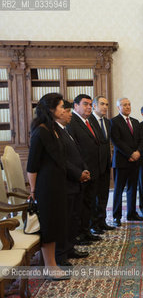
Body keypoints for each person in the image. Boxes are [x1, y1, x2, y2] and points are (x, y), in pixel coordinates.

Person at [27, 93, 69, 280]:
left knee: (56, 224)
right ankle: (50, 267)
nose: (63, 109)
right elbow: (32, 166)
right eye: (60, 106)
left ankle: (51, 264)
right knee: (49, 227)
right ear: (51, 109)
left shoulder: (54, 129)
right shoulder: (40, 131)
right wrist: (33, 190)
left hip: (57, 185)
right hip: (45, 187)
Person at [55, 100, 90, 265]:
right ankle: (61, 254)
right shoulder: (54, 132)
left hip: (76, 180)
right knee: (67, 218)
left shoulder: (64, 130)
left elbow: (76, 153)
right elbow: (62, 160)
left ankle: (70, 248)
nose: (69, 114)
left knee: (74, 217)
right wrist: (78, 174)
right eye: (66, 110)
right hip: (67, 182)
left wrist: (84, 169)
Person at [67, 94, 102, 243]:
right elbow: (74, 150)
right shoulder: (72, 122)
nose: (89, 107)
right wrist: (82, 170)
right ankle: (78, 234)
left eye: (90, 104)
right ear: (76, 106)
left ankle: (86, 231)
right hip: (81, 171)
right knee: (79, 205)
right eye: (85, 104)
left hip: (93, 170)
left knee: (89, 203)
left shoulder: (89, 122)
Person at [111, 98, 143, 227]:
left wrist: (137, 153)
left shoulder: (136, 122)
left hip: (135, 161)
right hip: (121, 161)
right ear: (118, 107)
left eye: (129, 104)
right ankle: (117, 217)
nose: (127, 107)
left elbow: (142, 140)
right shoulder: (114, 122)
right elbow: (117, 141)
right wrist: (130, 154)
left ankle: (131, 214)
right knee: (119, 190)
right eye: (124, 105)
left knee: (132, 189)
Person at [89, 95, 115, 232]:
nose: (105, 107)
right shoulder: (89, 121)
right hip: (94, 165)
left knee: (104, 195)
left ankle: (102, 221)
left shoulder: (107, 122)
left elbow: (107, 143)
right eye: (102, 104)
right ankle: (93, 225)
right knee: (94, 196)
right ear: (94, 106)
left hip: (105, 164)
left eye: (107, 104)